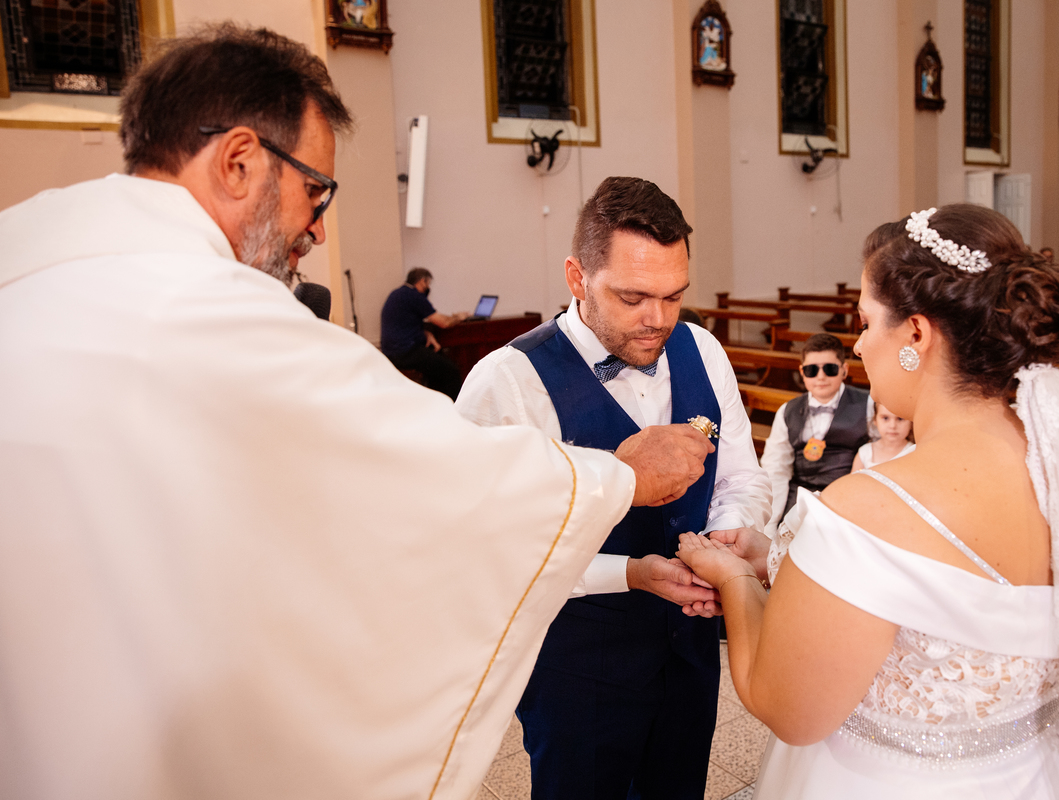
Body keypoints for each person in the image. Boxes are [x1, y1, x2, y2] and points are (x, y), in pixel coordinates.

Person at [0, 26, 717, 800]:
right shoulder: (208, 310)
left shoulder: (30, 251)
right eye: (317, 191)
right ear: (238, 161)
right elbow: (433, 481)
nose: (316, 226)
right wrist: (619, 476)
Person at [674, 204, 1059, 799]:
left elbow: (788, 709)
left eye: (867, 322)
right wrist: (777, 558)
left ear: (916, 335)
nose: (859, 345)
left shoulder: (867, 509)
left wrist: (736, 580)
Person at [456, 176, 771, 800]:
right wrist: (628, 573)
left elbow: (741, 475)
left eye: (674, 296)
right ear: (577, 278)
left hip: (690, 644)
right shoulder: (507, 384)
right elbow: (488, 550)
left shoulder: (702, 350)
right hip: (577, 660)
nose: (659, 320)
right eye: (633, 297)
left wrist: (728, 534)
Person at [760, 334, 871, 537]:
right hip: (798, 500)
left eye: (830, 369)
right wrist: (770, 523)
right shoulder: (788, 411)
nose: (820, 377)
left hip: (844, 501)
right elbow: (776, 468)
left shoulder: (869, 405)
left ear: (844, 370)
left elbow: (880, 455)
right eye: (812, 370)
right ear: (802, 372)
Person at [380, 267, 468, 399]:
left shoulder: (397, 293)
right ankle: (455, 407)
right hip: (406, 352)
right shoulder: (414, 296)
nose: (428, 288)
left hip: (391, 351)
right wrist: (459, 317)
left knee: (435, 367)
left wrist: (426, 333)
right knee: (451, 371)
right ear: (422, 281)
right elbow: (443, 322)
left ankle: (436, 403)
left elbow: (404, 322)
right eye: (428, 283)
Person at [850, 402, 915, 472]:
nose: (892, 426)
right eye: (885, 418)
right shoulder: (865, 453)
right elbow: (853, 478)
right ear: (875, 419)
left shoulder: (914, 452)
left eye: (900, 419)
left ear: (911, 421)